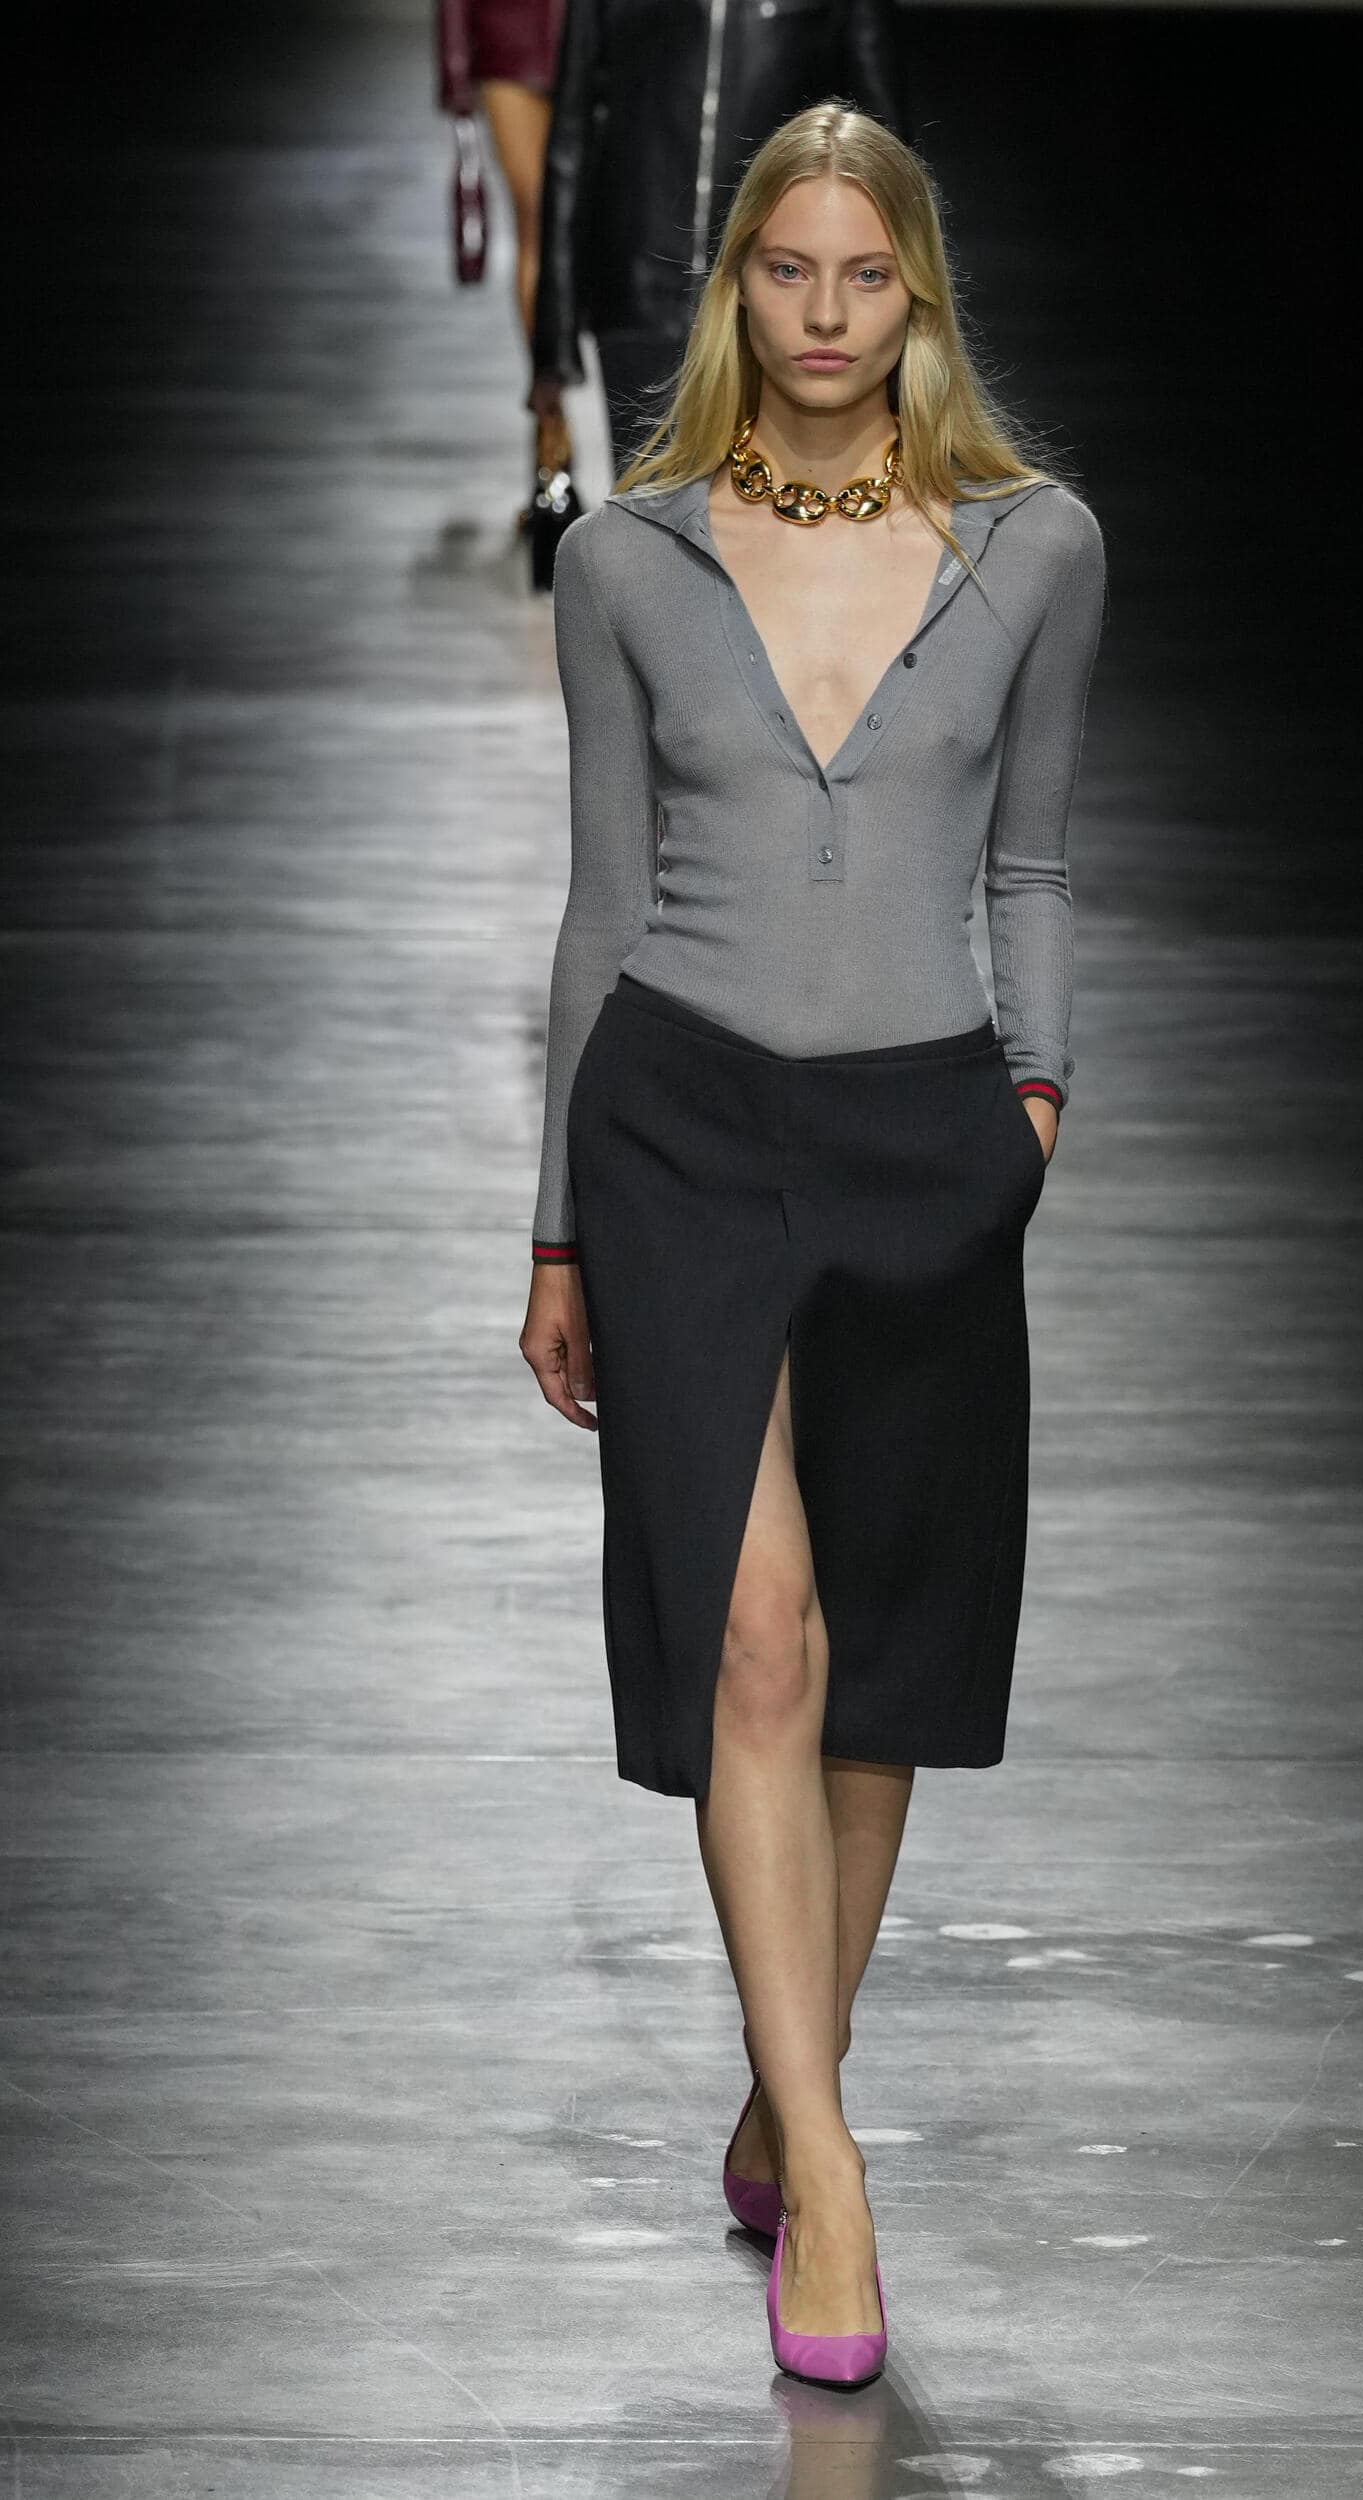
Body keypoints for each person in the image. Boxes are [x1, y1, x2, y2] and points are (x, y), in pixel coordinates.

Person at [518, 101, 1105, 2389]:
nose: (827, 317)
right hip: (675, 1126)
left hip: (924, 1137)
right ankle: (835, 2179)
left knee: (877, 1682)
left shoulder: (1032, 549)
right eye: (788, 273)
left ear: (919, 290)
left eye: (868, 277)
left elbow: (1032, 862)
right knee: (755, 1640)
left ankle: (786, 2083)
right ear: (734, 284)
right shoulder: (627, 560)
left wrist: (1029, 1110)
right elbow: (597, 901)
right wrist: (557, 1229)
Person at [526, 0, 907, 475]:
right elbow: (571, 133)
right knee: (646, 504)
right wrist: (553, 338)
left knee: (772, 500)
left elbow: (884, 151)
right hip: (638, 288)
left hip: (776, 295)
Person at [435, 0, 569, 515]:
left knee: (611, 231)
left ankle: (644, 443)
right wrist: (455, 67)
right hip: (512, 31)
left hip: (617, 28)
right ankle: (551, 435)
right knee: (539, 225)